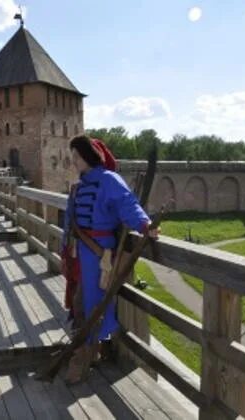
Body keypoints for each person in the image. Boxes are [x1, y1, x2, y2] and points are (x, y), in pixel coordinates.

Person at [61, 135, 159, 383]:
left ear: (89, 156)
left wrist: (145, 224)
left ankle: (82, 358)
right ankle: (89, 350)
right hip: (81, 250)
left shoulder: (109, 180)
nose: (74, 162)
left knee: (91, 303)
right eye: (72, 157)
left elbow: (128, 203)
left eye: (77, 157)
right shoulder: (81, 184)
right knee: (79, 301)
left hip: (99, 252)